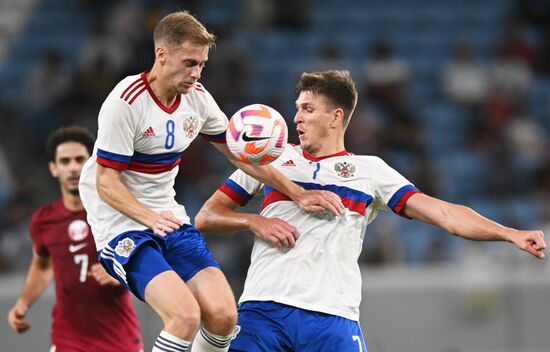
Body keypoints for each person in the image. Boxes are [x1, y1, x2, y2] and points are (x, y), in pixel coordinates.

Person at [194, 70, 547, 352]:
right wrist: (254, 220)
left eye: (308, 109)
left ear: (336, 117)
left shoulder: (370, 171)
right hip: (263, 309)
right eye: (297, 107)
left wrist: (509, 233)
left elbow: (443, 214)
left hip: (332, 319)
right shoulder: (269, 159)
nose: (296, 117)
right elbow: (207, 216)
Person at [78, 11, 343, 352]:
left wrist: (298, 193)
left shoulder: (197, 98)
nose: (196, 73)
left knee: (223, 316)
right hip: (121, 224)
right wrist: (149, 218)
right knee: (185, 316)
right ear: (162, 55)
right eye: (189, 63)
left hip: (167, 217)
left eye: (201, 64)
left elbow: (239, 155)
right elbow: (105, 183)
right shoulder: (126, 102)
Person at [7, 126, 142, 352]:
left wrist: (122, 273)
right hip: (67, 341)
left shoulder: (117, 213)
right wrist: (23, 302)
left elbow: (149, 262)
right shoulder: (43, 220)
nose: (73, 168)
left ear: (92, 164)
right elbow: (41, 267)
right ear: (53, 168)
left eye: (80, 159)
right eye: (65, 161)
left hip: (120, 340)